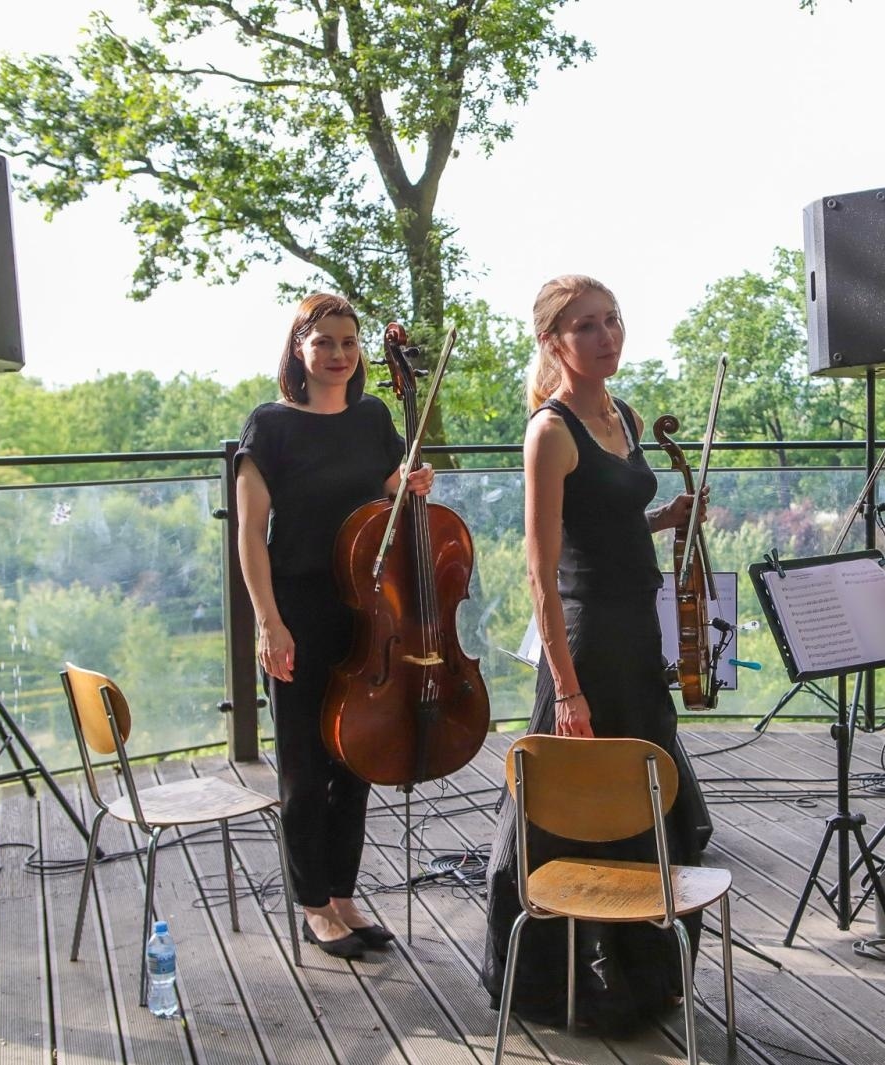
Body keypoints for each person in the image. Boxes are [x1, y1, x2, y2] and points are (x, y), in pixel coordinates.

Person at [481, 274, 711, 1033]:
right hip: (583, 645)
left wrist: (663, 516)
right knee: (563, 811)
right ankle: (545, 982)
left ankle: (645, 974)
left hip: (636, 634)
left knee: (646, 802)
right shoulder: (549, 431)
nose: (606, 335)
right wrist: (568, 690)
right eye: (585, 326)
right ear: (553, 342)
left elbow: (605, 524)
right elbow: (541, 573)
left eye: (612, 319)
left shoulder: (623, 415)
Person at [235, 292, 434, 958]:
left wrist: (413, 482)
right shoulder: (270, 426)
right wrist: (268, 622)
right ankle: (313, 905)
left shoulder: (374, 416)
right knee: (302, 761)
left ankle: (344, 896)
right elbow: (250, 534)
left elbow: (388, 494)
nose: (339, 354)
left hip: (366, 609)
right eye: (324, 342)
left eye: (349, 342)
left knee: (356, 756)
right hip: (297, 608)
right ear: (299, 349)